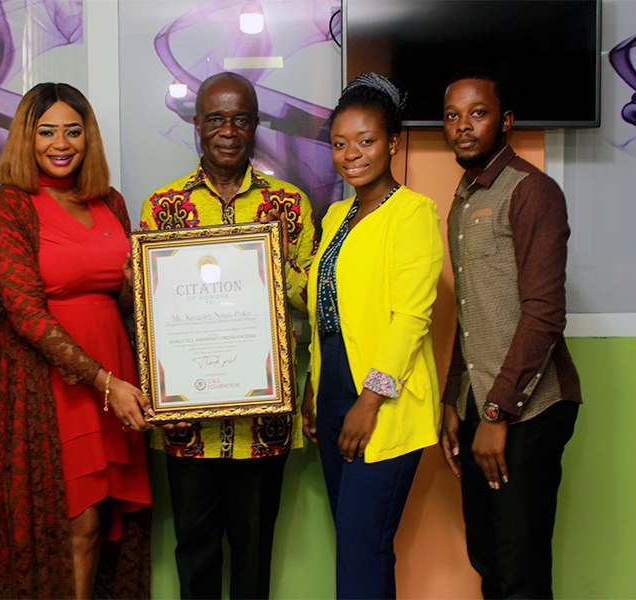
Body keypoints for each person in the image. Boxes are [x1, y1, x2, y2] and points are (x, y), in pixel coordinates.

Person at [138, 71, 315, 599]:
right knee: (195, 551)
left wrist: (273, 264)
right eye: (216, 118)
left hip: (264, 416)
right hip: (188, 416)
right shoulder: (161, 206)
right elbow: (152, 310)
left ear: (255, 125)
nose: (228, 130)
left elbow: (310, 295)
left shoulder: (290, 205)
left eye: (240, 119)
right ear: (197, 124)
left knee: (253, 551)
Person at [0, 82, 153, 600]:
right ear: (26, 138)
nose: (61, 143)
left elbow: (123, 304)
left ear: (88, 137)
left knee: (105, 526)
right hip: (57, 388)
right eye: (47, 131)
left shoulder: (111, 201)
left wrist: (132, 285)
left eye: (73, 131)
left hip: (115, 377)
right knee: (78, 526)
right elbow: (25, 314)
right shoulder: (6, 206)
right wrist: (105, 383)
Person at [439, 67, 583, 599]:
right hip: (478, 403)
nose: (463, 126)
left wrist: (497, 413)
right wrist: (454, 400)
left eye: (477, 113)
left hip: (529, 409)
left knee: (519, 569)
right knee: (488, 559)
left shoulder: (532, 191)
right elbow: (471, 313)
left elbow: (544, 314)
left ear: (505, 120)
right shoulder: (463, 199)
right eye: (452, 115)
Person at [300, 73, 444, 599]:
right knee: (354, 545)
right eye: (340, 144)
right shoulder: (337, 214)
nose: (352, 154)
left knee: (364, 547)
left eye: (366, 141)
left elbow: (411, 319)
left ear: (393, 143)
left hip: (382, 400)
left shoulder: (413, 214)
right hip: (332, 391)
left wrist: (368, 400)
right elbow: (326, 310)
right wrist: (314, 387)